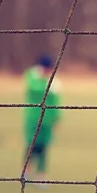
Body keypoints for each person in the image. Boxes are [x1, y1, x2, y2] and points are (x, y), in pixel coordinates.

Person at [23, 55, 62, 186]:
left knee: (44, 147)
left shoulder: (54, 80)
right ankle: (26, 171)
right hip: (33, 117)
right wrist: (47, 85)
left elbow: (56, 101)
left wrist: (58, 117)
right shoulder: (32, 75)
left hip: (48, 119)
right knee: (32, 145)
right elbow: (33, 89)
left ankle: (41, 175)